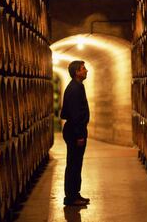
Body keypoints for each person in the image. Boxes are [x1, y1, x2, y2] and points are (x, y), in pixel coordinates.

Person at [60, 60, 90, 206]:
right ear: (77, 72)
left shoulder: (78, 86)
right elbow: (74, 114)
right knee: (73, 164)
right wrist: (79, 135)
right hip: (74, 131)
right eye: (83, 69)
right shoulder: (75, 89)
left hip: (75, 129)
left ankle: (75, 194)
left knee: (76, 164)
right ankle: (71, 197)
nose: (86, 71)